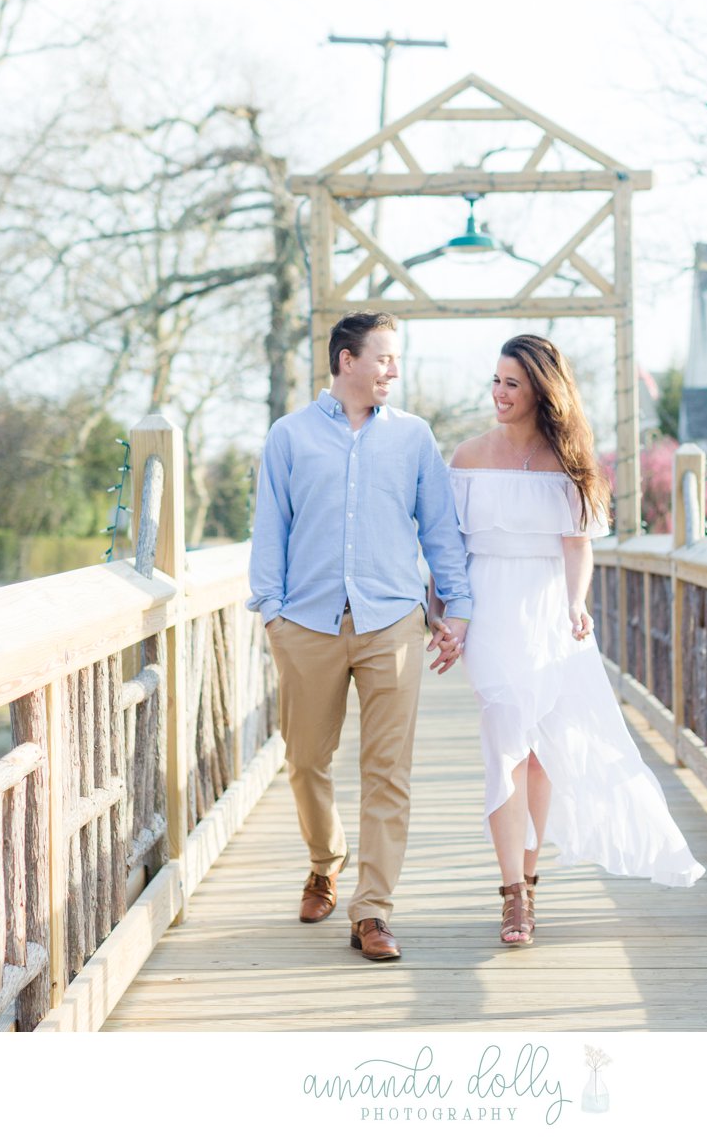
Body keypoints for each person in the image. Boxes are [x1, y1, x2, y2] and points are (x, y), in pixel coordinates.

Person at [443, 333, 704, 946]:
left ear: (539, 390)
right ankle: (511, 895)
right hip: (489, 605)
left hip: (547, 609)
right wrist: (446, 613)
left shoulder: (570, 463)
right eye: (497, 381)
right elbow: (449, 547)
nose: (499, 393)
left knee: (538, 753)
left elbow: (576, 545)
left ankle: (528, 884)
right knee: (506, 739)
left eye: (512, 383)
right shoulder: (465, 456)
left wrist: (576, 601)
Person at [248, 310, 471, 962]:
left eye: (395, 359)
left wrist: (455, 608)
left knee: (387, 771)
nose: (392, 370)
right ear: (345, 360)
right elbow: (271, 529)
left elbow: (439, 530)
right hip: (307, 623)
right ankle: (325, 860)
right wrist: (272, 613)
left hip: (392, 622)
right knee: (306, 760)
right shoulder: (289, 437)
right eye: (382, 357)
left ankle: (372, 909)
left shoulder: (413, 438)